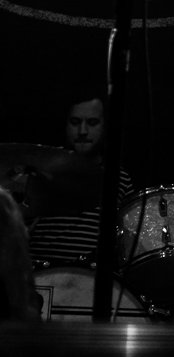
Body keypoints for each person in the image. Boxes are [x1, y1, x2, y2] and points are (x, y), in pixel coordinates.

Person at [29, 92, 133, 265]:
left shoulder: (120, 178)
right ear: (65, 124)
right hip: (42, 275)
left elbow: (128, 242)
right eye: (75, 122)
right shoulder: (41, 168)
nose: (83, 131)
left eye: (92, 123)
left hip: (91, 277)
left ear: (105, 127)